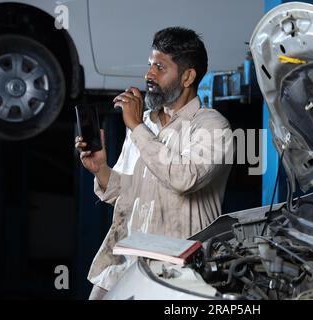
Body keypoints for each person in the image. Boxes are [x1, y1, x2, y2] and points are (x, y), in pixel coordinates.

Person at [75, 27, 233, 300]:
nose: (149, 75)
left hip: (179, 272)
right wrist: (100, 169)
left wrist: (136, 126)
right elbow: (125, 196)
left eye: (160, 67)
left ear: (187, 76)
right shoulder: (145, 123)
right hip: (127, 262)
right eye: (150, 66)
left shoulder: (212, 126)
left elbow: (184, 179)